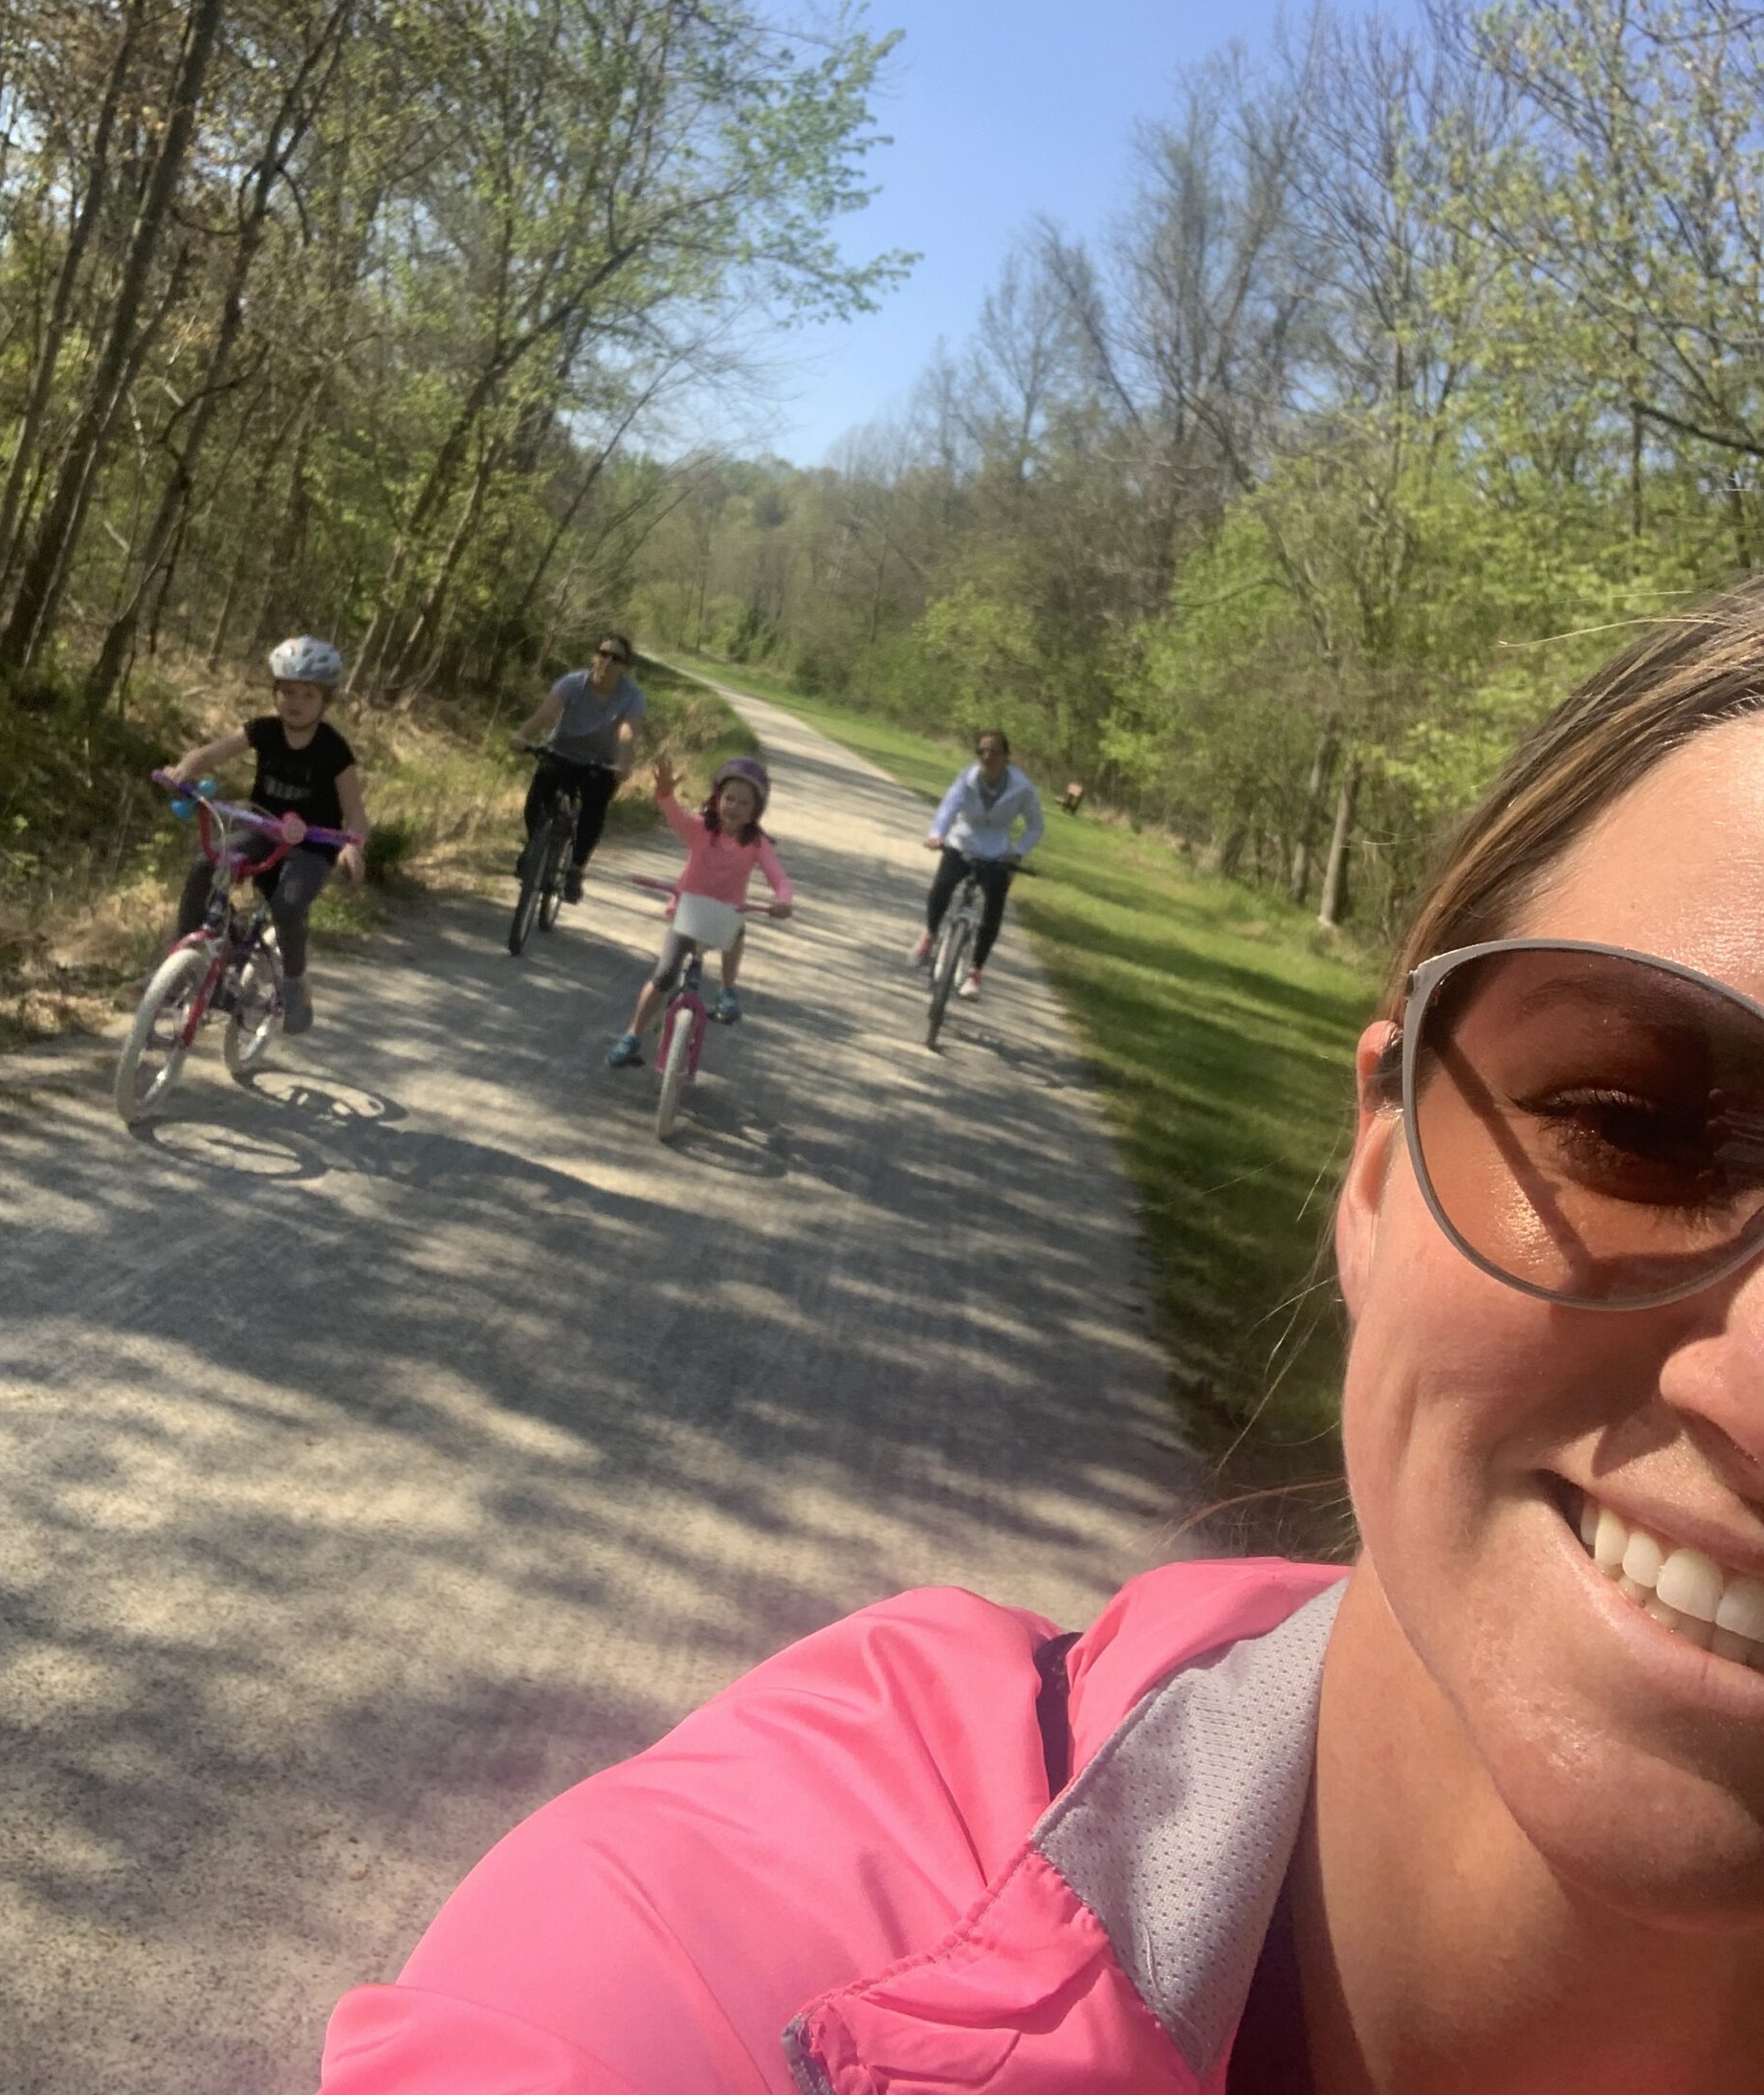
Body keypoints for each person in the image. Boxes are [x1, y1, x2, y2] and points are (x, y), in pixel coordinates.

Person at [320, 584, 1764, 2092]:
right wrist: (947, 839)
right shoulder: (729, 1966)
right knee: (939, 881)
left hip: (930, 879)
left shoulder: (1017, 805)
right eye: (1638, 1125)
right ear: (1381, 1164)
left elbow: (1008, 838)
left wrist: (981, 858)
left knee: (982, 901)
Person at [160, 636, 367, 1035]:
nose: (295, 702)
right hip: (261, 827)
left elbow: (356, 814)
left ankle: (294, 981)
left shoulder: (334, 751)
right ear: (275, 692)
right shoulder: (265, 730)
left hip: (312, 847)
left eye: (307, 694)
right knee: (206, 864)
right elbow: (211, 753)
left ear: (325, 700)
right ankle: (182, 960)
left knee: (287, 906)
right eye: (287, 691)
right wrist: (184, 769)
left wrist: (352, 846)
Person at [606, 752, 792, 1066]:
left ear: (755, 812)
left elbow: (779, 878)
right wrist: (665, 792)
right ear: (717, 799)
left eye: (743, 803)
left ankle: (727, 990)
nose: (733, 807)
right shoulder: (702, 830)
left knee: (738, 926)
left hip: (722, 918)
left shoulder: (756, 844)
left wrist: (782, 900)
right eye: (729, 798)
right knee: (664, 976)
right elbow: (675, 816)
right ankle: (632, 1035)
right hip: (687, 914)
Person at [909, 727, 1044, 1000]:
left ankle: (974, 971)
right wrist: (937, 835)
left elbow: (1035, 826)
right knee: (941, 889)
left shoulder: (1022, 788)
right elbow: (949, 807)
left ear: (1006, 755)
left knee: (994, 909)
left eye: (994, 751)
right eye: (981, 750)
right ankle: (930, 936)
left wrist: (1017, 853)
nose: (987, 756)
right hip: (962, 842)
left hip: (996, 852)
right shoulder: (966, 778)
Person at [510, 633, 645, 903]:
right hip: (562, 751)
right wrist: (522, 735)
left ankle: (575, 868)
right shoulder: (573, 683)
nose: (607, 661)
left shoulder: (632, 696)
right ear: (594, 656)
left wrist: (624, 762)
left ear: (624, 666)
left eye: (615, 658)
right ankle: (533, 846)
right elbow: (546, 713)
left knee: (593, 811)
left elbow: (627, 732)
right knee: (536, 799)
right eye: (603, 653)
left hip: (600, 763)